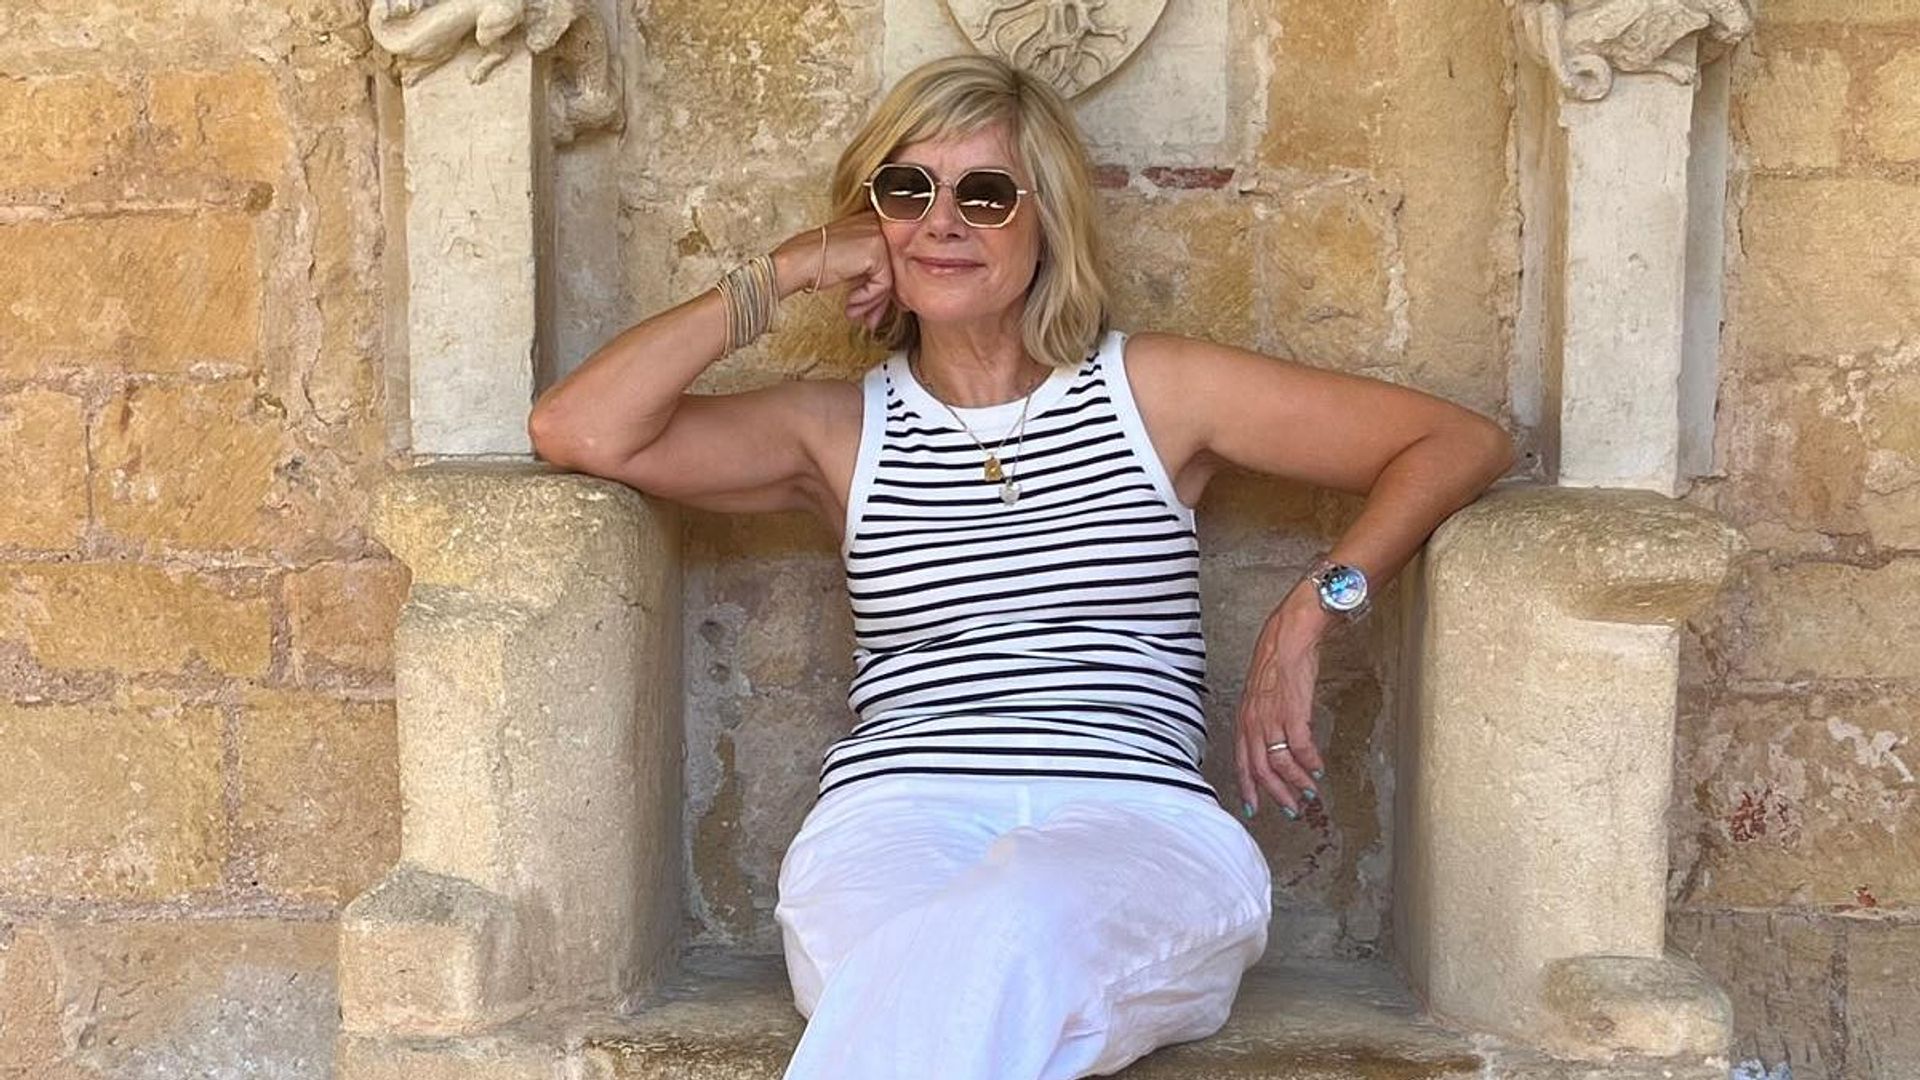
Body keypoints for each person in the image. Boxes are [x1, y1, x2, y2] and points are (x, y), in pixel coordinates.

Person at [528, 52, 1512, 1080]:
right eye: (907, 190)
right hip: (894, 822)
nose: (943, 222)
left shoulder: (1157, 391)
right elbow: (579, 427)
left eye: (985, 193)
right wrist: (783, 273)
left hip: (1137, 823)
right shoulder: (836, 432)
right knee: (958, 975)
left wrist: (1312, 611)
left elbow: (1459, 443)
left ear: (1047, 222)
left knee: (1001, 930)